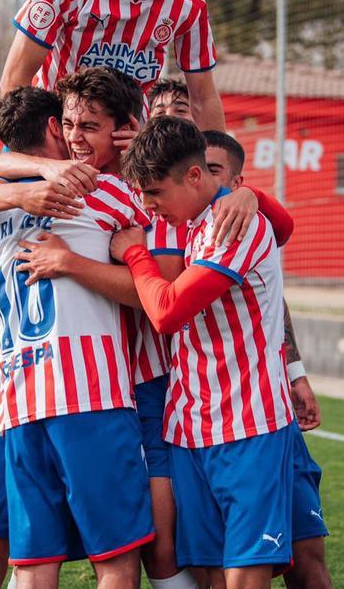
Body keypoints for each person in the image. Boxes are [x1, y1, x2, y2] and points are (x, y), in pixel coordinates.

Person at [0, 85, 156, 589]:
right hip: (90, 398)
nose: (79, 139)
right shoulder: (107, 194)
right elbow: (150, 294)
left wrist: (20, 187)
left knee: (32, 566)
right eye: (72, 125)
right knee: (118, 560)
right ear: (56, 128)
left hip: (18, 401)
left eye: (91, 126)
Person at [112, 116, 294, 589]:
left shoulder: (236, 223)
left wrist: (135, 254)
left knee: (244, 576)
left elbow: (167, 310)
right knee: (211, 575)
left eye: (155, 193)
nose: (149, 208)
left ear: (195, 176)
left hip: (247, 426)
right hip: (190, 427)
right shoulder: (196, 224)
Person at [202, 131, 332, 589]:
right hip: (195, 416)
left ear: (236, 179)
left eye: (215, 171)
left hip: (264, 411)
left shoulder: (243, 217)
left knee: (305, 548)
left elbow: (273, 292)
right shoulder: (163, 215)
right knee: (214, 561)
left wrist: (294, 371)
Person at [1, 0, 225, 131]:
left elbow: (204, 99)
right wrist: (43, 154)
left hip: (130, 143)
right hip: (59, 129)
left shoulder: (188, 2)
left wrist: (216, 166)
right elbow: (14, 81)